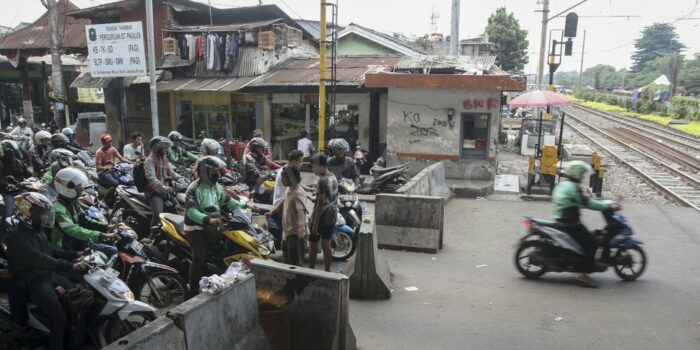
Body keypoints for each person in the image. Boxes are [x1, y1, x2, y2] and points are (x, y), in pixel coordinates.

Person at [5, 192, 92, 350]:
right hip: (35, 281)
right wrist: (70, 265)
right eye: (41, 215)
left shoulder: (37, 231)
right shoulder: (17, 238)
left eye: (46, 215)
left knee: (78, 300)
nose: (45, 218)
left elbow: (50, 250)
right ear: (27, 215)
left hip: (49, 275)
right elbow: (41, 259)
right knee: (60, 320)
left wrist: (76, 254)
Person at [184, 156, 253, 294]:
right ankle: (192, 291)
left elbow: (228, 202)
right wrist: (208, 220)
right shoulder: (194, 188)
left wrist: (246, 205)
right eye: (213, 171)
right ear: (204, 172)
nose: (216, 174)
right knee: (200, 257)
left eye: (217, 170)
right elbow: (191, 212)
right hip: (196, 228)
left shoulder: (216, 187)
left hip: (215, 225)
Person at [553, 160, 620, 288]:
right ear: (577, 174)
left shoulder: (564, 185)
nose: (583, 177)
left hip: (561, 220)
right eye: (582, 174)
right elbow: (587, 203)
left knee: (591, 234)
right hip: (570, 224)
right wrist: (607, 207)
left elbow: (584, 201)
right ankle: (583, 277)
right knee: (592, 243)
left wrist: (603, 203)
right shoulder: (573, 188)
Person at [51, 168, 118, 256]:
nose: (82, 189)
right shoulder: (58, 209)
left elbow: (84, 220)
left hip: (77, 241)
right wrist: (101, 235)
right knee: (112, 251)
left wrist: (106, 227)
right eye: (78, 186)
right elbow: (73, 230)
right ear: (67, 188)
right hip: (66, 247)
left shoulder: (72, 202)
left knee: (113, 246)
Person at [267, 166, 307, 267]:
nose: (281, 179)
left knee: (295, 264)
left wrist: (301, 227)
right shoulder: (290, 189)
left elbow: (301, 211)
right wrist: (272, 212)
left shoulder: (297, 193)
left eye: (283, 177)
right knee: (285, 258)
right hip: (287, 232)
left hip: (295, 234)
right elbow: (283, 200)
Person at [144, 137, 181, 233]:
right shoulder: (149, 161)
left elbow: (172, 173)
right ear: (157, 148)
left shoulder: (164, 159)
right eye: (164, 148)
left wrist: (181, 179)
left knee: (178, 209)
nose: (166, 150)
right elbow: (152, 179)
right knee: (158, 213)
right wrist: (164, 187)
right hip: (155, 192)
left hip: (167, 191)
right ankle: (152, 236)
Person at [309, 154, 338, 272]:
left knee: (312, 242)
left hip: (321, 217)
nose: (313, 170)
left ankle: (311, 269)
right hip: (332, 215)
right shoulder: (333, 177)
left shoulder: (322, 181)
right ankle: (327, 270)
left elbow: (320, 204)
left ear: (321, 166)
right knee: (327, 243)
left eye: (314, 167)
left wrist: (315, 223)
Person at [0, 140, 31, 239]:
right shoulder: (0, 164)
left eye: (14, 151)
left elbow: (27, 174)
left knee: (30, 212)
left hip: (20, 190)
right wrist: (7, 184)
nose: (12, 154)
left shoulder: (18, 162)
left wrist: (33, 178)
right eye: (10, 151)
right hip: (7, 193)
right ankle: (2, 238)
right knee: (7, 216)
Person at [95, 134, 129, 200]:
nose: (110, 143)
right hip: (103, 173)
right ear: (103, 143)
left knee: (124, 181)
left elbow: (121, 158)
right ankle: (104, 200)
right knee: (115, 183)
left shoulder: (112, 149)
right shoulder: (99, 152)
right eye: (108, 142)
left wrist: (131, 163)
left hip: (113, 170)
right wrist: (106, 168)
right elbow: (98, 167)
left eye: (110, 141)